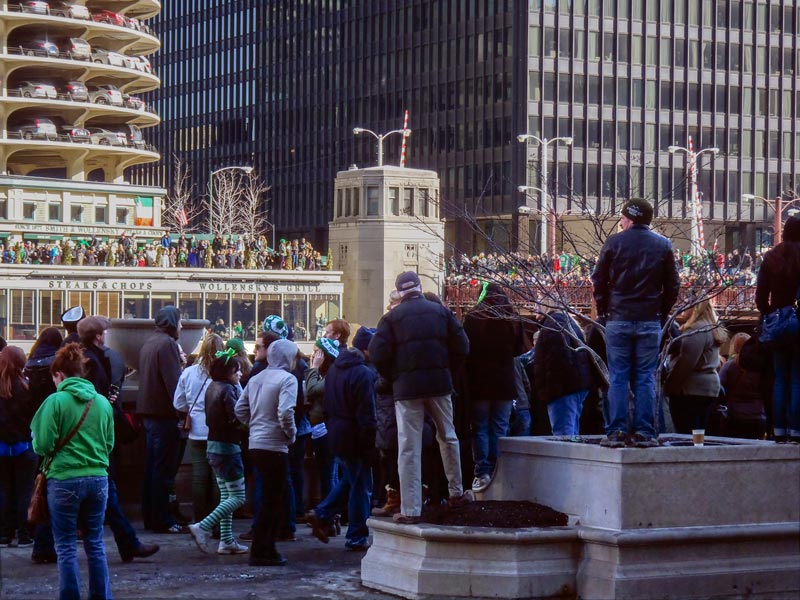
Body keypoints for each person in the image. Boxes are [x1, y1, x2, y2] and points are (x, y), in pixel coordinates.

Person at [368, 271, 472, 524]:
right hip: (439, 385)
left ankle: (411, 508)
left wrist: (395, 376)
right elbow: (463, 346)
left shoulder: (391, 318)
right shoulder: (441, 312)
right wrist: (446, 369)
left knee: (408, 447)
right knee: (448, 436)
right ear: (418, 287)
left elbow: (376, 353)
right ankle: (456, 492)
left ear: (400, 292)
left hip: (406, 390)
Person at [591, 199, 680, 448]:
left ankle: (617, 431)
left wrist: (606, 310)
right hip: (649, 319)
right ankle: (645, 431)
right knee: (645, 378)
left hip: (618, 319)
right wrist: (660, 313)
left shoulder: (614, 242)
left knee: (618, 376)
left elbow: (598, 279)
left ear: (629, 219)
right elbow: (673, 285)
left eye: (622, 217)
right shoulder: (663, 245)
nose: (620, 222)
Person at [30, 343, 114, 600]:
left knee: (65, 545)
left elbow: (42, 444)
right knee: (95, 542)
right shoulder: (101, 402)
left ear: (59, 375)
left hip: (64, 479)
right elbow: (109, 443)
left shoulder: (55, 401)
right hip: (99, 479)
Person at [78, 315, 160, 563]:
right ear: (98, 335)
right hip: (94, 439)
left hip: (87, 441)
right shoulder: (93, 360)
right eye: (104, 331)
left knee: (105, 496)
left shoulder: (88, 357)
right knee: (107, 492)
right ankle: (128, 543)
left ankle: (128, 543)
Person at [307, 326, 377, 551]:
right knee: (361, 485)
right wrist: (370, 442)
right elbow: (367, 413)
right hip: (354, 434)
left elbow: (327, 405)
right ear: (367, 350)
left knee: (352, 479)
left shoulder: (336, 369)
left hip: (336, 432)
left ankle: (324, 514)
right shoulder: (364, 374)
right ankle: (354, 533)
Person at [235, 338, 298, 567]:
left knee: (266, 498)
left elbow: (239, 409)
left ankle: (263, 548)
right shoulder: (288, 379)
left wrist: (253, 425)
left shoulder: (257, 378)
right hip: (275, 445)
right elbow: (285, 411)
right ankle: (264, 550)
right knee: (274, 501)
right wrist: (290, 435)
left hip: (255, 443)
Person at [462, 283, 523, 492]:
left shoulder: (472, 319)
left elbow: (465, 351)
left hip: (479, 384)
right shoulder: (512, 319)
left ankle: (482, 472)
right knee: (500, 427)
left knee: (479, 428)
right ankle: (499, 468)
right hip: (504, 384)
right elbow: (519, 350)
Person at [188, 349, 248, 555]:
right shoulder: (228, 390)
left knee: (226, 495)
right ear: (228, 372)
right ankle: (202, 526)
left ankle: (227, 541)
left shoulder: (212, 386)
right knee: (238, 497)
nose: (240, 374)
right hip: (228, 448)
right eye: (236, 370)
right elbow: (236, 418)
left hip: (213, 445)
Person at [137, 306, 186, 533]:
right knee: (163, 471)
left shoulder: (150, 342)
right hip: (163, 416)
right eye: (179, 322)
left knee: (151, 469)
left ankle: (151, 516)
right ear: (171, 323)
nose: (182, 326)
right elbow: (174, 386)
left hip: (149, 414)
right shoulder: (167, 344)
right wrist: (182, 414)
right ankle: (161, 520)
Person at [755, 215, 800, 442]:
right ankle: (796, 430)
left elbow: (760, 296)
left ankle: (779, 429)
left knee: (780, 378)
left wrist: (770, 313)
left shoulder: (772, 257)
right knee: (797, 379)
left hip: (779, 323)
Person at [174, 334, 224, 523]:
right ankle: (217, 522)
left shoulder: (189, 372)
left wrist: (192, 409)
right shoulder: (224, 374)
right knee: (219, 478)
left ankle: (200, 519)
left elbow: (178, 402)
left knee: (199, 476)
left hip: (196, 430)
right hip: (219, 432)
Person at [24, 327, 62, 564]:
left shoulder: (30, 364)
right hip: (56, 432)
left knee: (38, 488)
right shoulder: (54, 368)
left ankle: (33, 534)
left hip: (33, 432)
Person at [663, 300, 727, 434]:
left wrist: (669, 387)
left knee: (687, 431)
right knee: (699, 432)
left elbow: (686, 363)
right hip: (708, 389)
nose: (683, 309)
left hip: (690, 389)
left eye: (686, 306)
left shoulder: (696, 330)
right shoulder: (711, 327)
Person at [533, 310, 593, 437]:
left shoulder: (554, 323)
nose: (534, 308)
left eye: (538, 303)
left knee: (564, 435)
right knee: (572, 431)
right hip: (573, 386)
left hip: (563, 389)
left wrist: (552, 390)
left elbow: (558, 359)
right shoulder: (565, 321)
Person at [0, 346, 36, 548]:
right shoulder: (26, 387)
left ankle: (4, 534)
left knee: (3, 489)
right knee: (25, 491)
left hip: (1, 446)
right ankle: (24, 534)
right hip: (23, 445)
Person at [718, 333, 767, 439]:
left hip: (734, 416)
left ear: (734, 347)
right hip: (758, 416)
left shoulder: (729, 365)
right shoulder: (762, 366)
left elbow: (719, 388)